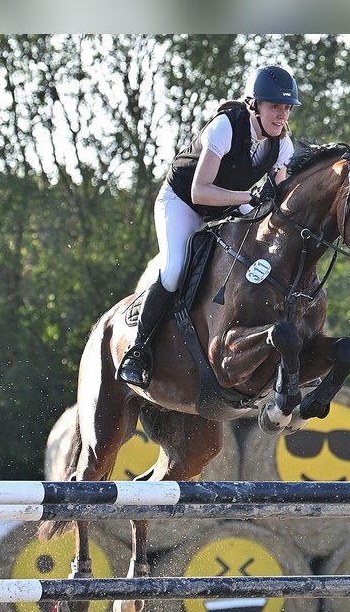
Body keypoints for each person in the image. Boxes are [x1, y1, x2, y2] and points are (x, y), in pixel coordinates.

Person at [116, 65, 301, 388]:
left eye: (286, 108)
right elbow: (200, 191)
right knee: (174, 270)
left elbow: (277, 202)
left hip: (229, 206)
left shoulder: (282, 145)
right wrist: (251, 196)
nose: (281, 115)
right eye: (275, 106)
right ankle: (138, 350)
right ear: (254, 105)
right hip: (183, 203)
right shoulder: (225, 127)